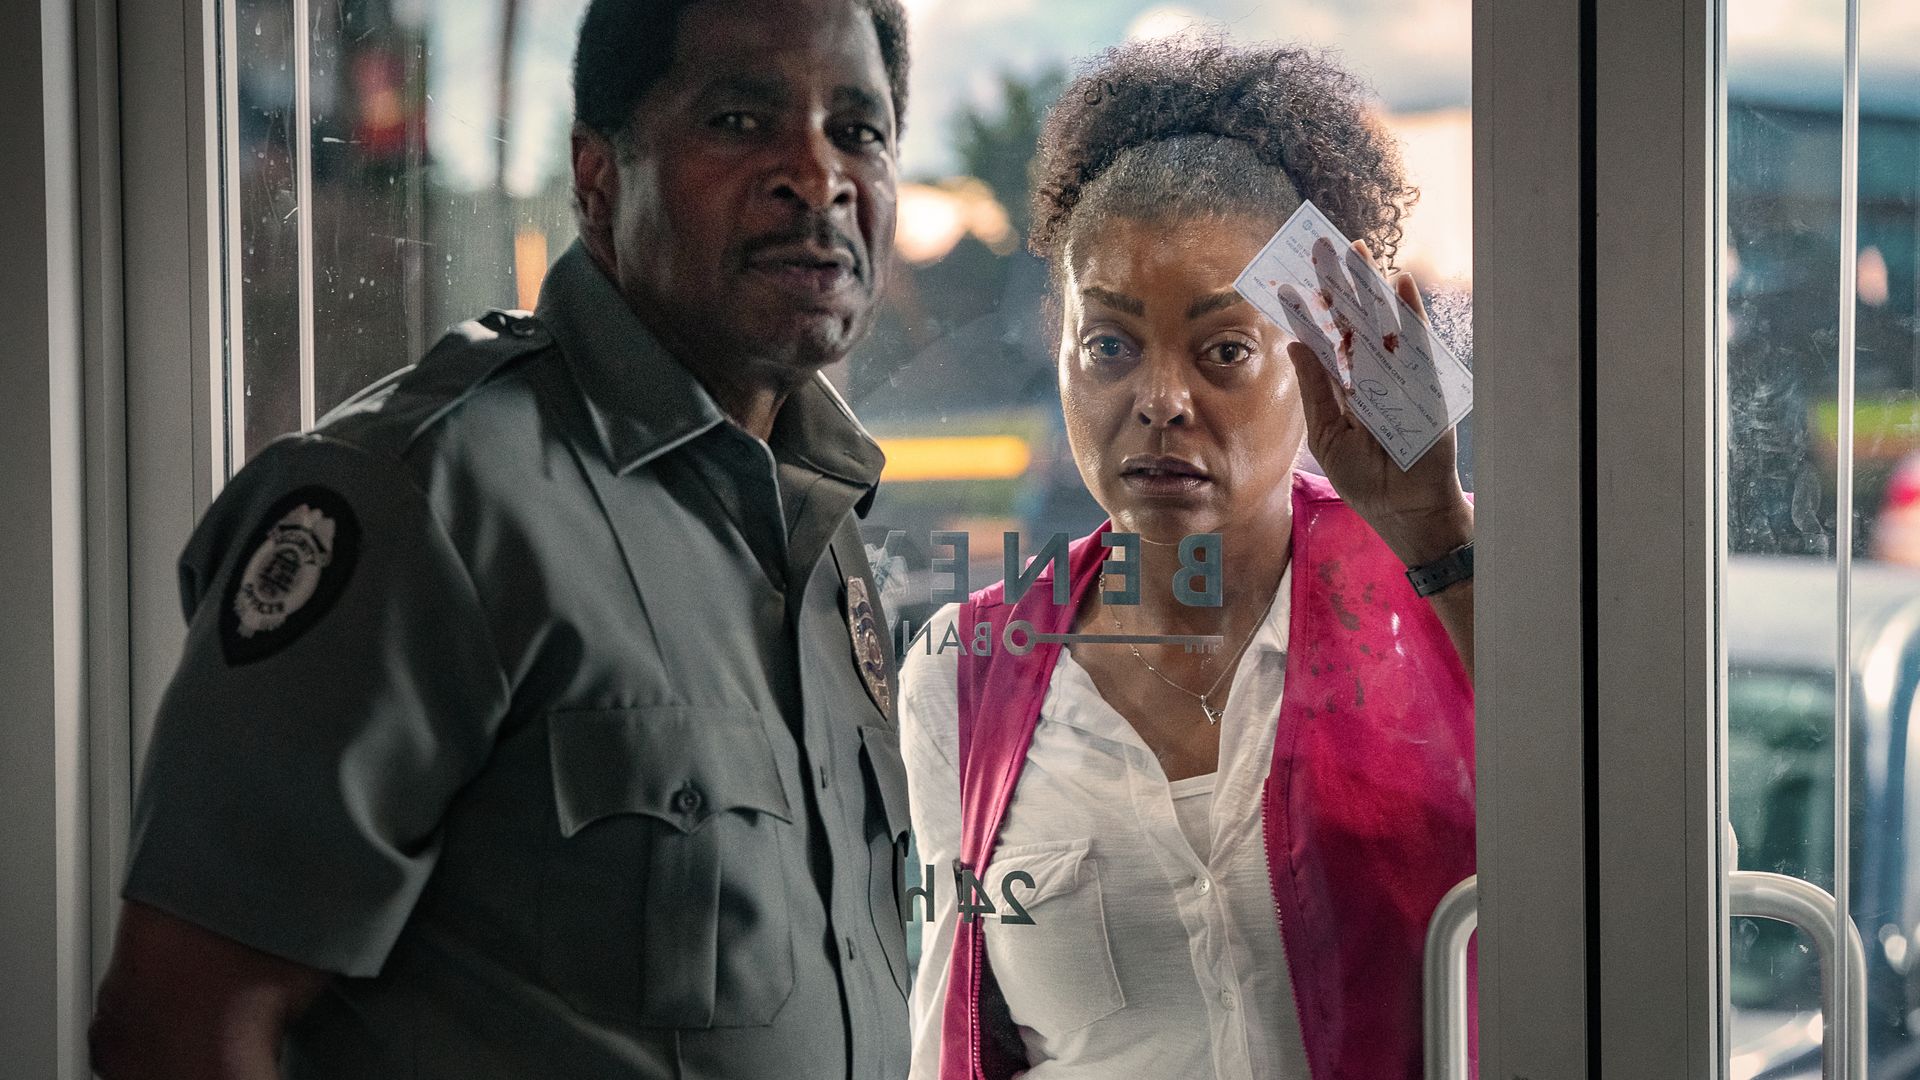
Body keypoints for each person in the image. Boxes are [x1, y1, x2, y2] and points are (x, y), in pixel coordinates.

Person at [88, 1, 916, 1078]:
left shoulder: (819, 525)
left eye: (858, 130)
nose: (817, 173)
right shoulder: (423, 497)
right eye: (738, 119)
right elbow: (178, 1024)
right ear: (598, 178)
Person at [901, 38, 1477, 1080]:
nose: (1159, 398)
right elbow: (952, 1033)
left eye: (1223, 350)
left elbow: (1659, 870)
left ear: (1323, 357)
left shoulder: (1445, 579)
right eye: (1110, 346)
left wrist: (1437, 533)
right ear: (1059, 345)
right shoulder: (961, 672)